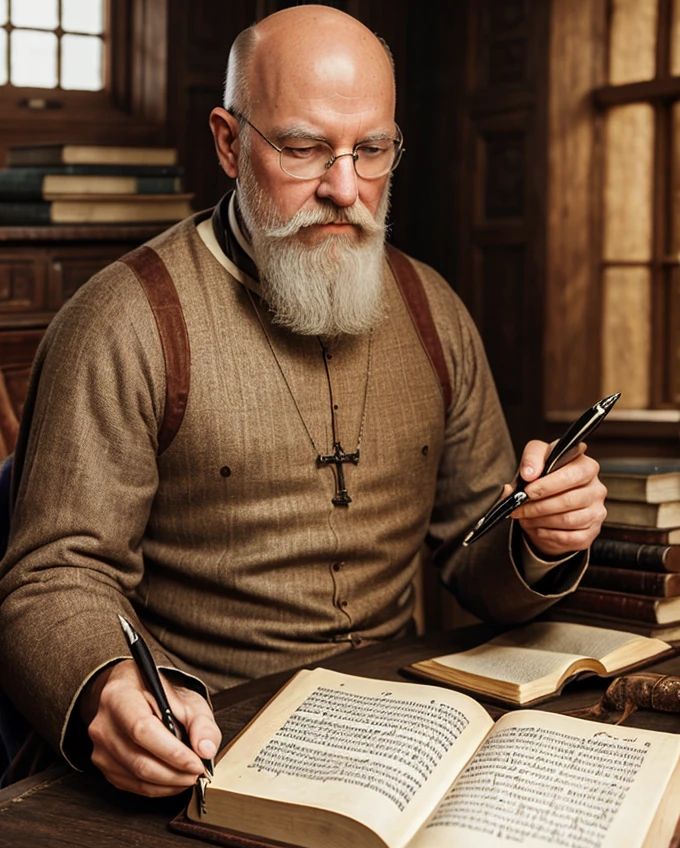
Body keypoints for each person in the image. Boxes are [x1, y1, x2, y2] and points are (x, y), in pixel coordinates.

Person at [0, 6, 606, 797]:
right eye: (303, 148)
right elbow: (52, 576)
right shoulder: (121, 322)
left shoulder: (434, 311)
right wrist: (112, 687)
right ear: (227, 141)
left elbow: (474, 551)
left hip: (404, 742)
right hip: (209, 748)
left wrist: (542, 538)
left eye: (373, 150)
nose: (345, 188)